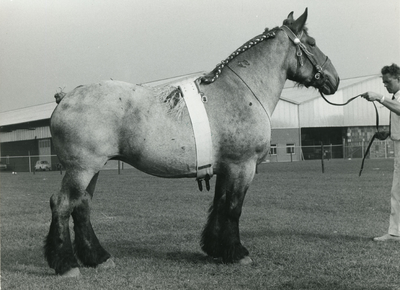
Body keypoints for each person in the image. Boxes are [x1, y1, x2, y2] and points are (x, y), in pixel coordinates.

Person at [361, 63, 400, 241]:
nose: (385, 84)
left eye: (387, 81)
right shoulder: (396, 97)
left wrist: (379, 97)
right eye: (383, 82)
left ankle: (395, 233)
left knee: (397, 191)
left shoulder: (394, 98)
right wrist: (389, 133)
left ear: (398, 78)